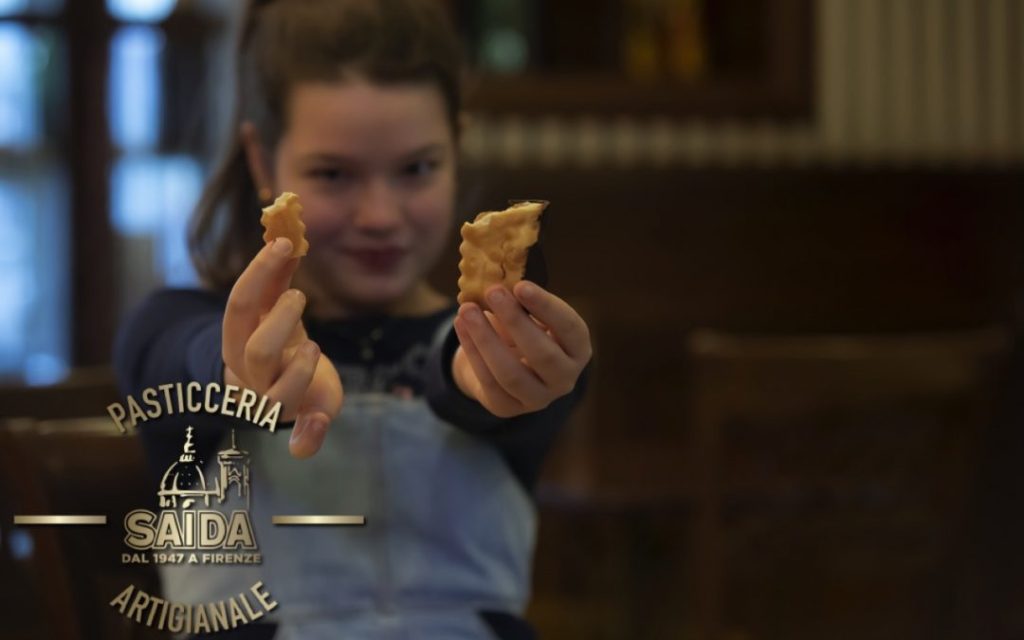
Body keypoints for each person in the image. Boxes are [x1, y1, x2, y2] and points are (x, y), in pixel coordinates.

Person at [113, 1, 591, 638]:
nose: (380, 215)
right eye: (334, 174)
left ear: (458, 145)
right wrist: (241, 372)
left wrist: (487, 368)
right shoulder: (173, 326)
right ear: (262, 161)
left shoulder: (500, 353)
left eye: (417, 168)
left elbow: (452, 367)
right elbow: (179, 358)